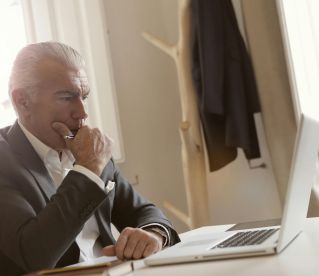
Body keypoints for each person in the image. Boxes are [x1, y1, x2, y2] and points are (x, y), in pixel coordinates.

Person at [0, 41, 180, 275]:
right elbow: (34, 254)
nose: (83, 113)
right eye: (67, 97)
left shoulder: (91, 150)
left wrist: (153, 235)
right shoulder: (5, 161)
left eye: (84, 97)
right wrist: (87, 170)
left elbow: (143, 211)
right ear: (23, 102)